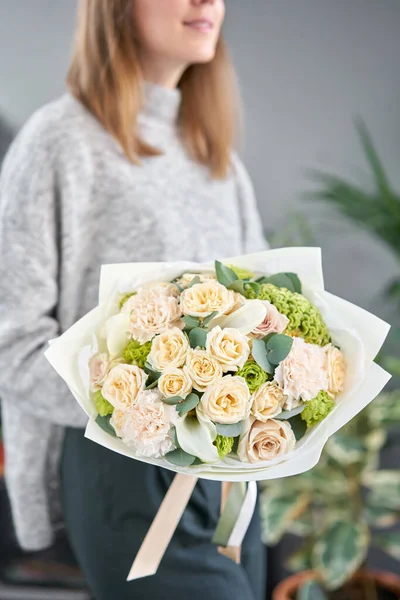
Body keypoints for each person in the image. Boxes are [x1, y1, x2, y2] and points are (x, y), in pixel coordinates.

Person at [0, 0, 268, 598]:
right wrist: (151, 413)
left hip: (232, 472)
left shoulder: (216, 158)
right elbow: (11, 344)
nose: (209, 3)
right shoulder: (60, 142)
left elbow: (264, 315)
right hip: (125, 467)